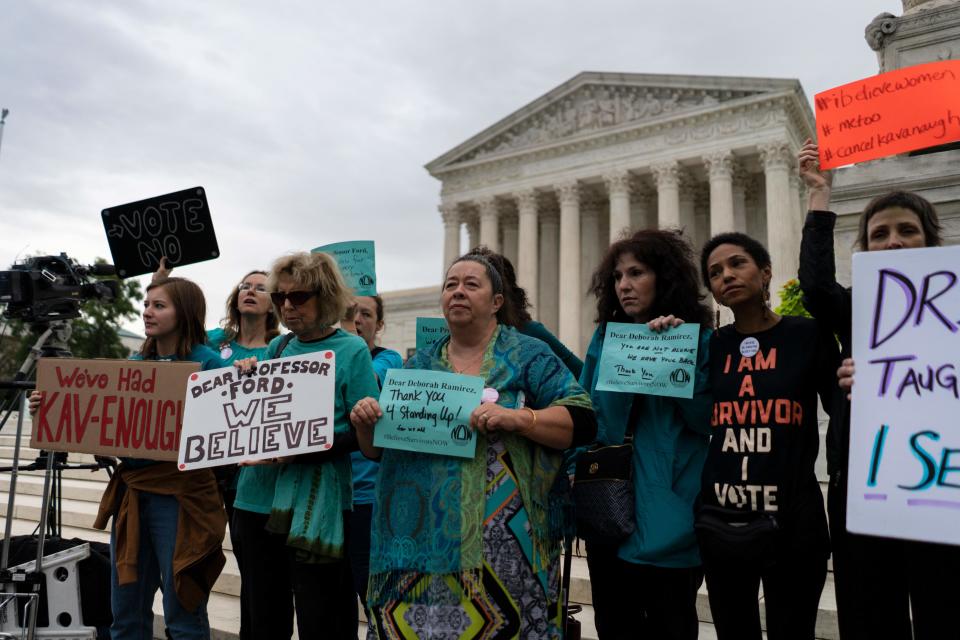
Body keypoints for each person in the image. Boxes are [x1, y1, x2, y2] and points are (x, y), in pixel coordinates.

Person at [350, 253, 596, 639]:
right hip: (418, 553)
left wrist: (521, 419)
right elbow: (379, 450)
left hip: (507, 555)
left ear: (497, 302)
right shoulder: (417, 368)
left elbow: (582, 419)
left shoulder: (528, 355)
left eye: (471, 284)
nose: (458, 292)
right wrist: (365, 424)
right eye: (451, 285)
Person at [797, 139, 960, 640]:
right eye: (880, 234)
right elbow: (816, 287)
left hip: (942, 495)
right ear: (865, 250)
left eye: (907, 231)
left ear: (932, 245)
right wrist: (820, 195)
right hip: (863, 491)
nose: (893, 242)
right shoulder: (857, 309)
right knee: (869, 619)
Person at [32, 276, 228, 639]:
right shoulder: (136, 361)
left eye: (159, 305)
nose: (147, 312)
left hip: (183, 499)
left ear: (183, 312)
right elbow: (106, 425)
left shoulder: (210, 366)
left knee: (182, 611)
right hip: (134, 495)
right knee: (125, 610)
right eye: (146, 305)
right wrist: (49, 409)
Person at [230, 251, 380, 640]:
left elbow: (366, 436)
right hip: (256, 502)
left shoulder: (353, 351)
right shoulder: (277, 349)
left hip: (318, 505)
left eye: (299, 297)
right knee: (262, 618)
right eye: (280, 298)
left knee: (323, 616)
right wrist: (245, 378)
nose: (286, 306)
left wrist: (303, 449)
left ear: (326, 297)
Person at [698, 232, 836, 640]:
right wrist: (662, 333)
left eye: (738, 263)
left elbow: (843, 408)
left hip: (794, 524)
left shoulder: (806, 335)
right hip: (722, 523)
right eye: (715, 273)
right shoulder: (708, 346)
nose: (727, 275)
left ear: (766, 273)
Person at [577, 229, 712, 640]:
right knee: (614, 628)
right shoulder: (606, 339)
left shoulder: (696, 340)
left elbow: (707, 420)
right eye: (618, 276)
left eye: (636, 273)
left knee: (672, 628)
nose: (624, 285)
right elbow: (588, 418)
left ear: (664, 277)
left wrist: (673, 360)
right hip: (609, 516)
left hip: (672, 517)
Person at [344, 294, 403, 627]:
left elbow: (365, 382)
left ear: (379, 325)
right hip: (331, 498)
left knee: (374, 600)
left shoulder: (387, 359)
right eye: (349, 313)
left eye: (364, 314)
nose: (356, 319)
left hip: (367, 500)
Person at [467, 245, 583, 377]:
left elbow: (582, 375)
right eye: (452, 283)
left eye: (472, 284)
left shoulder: (529, 332)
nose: (461, 292)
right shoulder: (448, 339)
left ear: (498, 298)